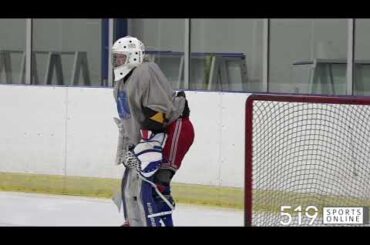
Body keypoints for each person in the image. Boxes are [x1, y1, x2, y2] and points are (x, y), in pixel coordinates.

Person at [112, 35, 195, 227]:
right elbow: (129, 120)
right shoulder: (120, 82)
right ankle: (134, 222)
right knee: (130, 184)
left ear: (134, 56)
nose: (117, 61)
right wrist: (129, 149)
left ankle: (160, 222)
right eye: (115, 57)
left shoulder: (145, 71)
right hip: (150, 138)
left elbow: (159, 114)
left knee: (156, 185)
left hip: (174, 130)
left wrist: (145, 149)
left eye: (121, 57)